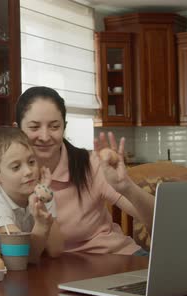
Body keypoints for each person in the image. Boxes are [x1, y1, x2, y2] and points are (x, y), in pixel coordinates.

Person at [15, 86, 154, 255]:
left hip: (117, 259)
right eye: (34, 127)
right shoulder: (6, 174)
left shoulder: (90, 165)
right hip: (58, 272)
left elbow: (159, 219)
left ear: (64, 127)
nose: (45, 136)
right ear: (17, 129)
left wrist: (126, 186)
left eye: (54, 126)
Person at [0, 126, 63, 262]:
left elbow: (56, 250)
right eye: (16, 167)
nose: (28, 171)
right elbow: (23, 256)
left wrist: (42, 204)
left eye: (31, 162)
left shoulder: (41, 192)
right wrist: (41, 225)